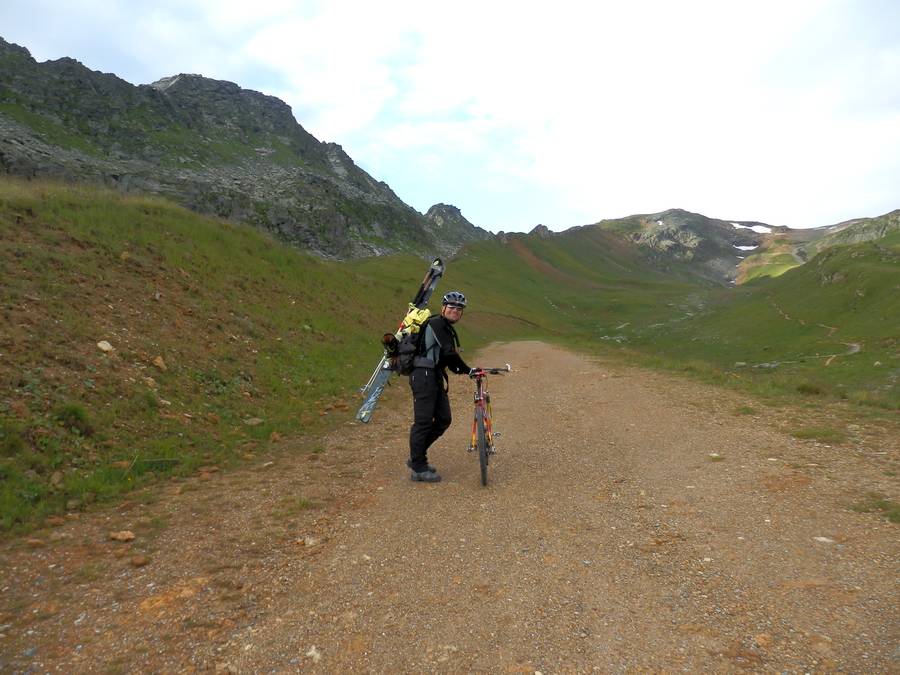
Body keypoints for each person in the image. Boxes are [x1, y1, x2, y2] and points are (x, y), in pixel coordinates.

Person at [407, 291, 472, 482]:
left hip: (434, 375)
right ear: (443, 308)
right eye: (452, 307)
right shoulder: (436, 323)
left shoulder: (445, 327)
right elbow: (449, 352)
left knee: (444, 419)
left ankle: (416, 457)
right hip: (423, 375)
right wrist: (468, 370)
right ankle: (418, 467)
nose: (455, 311)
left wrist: (466, 370)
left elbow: (447, 359)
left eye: (459, 309)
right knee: (423, 422)